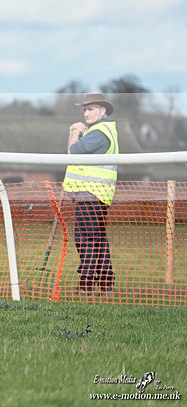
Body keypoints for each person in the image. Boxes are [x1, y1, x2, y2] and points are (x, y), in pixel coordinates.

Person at [63, 93, 119, 295]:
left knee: (85, 239)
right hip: (93, 194)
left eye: (91, 109)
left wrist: (74, 131)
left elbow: (73, 152)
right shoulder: (101, 130)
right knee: (97, 238)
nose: (86, 113)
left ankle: (86, 284)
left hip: (92, 195)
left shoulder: (98, 132)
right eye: (85, 109)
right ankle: (105, 283)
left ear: (102, 111)